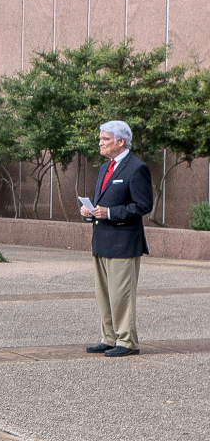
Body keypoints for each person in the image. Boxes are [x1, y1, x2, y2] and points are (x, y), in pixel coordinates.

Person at [79, 121, 152, 358]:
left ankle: (127, 341)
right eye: (100, 139)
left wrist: (110, 213)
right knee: (105, 295)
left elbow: (143, 205)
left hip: (123, 242)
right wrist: (90, 212)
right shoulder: (104, 168)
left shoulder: (136, 168)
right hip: (101, 240)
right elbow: (100, 200)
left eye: (105, 139)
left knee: (121, 295)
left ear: (121, 141)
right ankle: (109, 338)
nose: (100, 142)